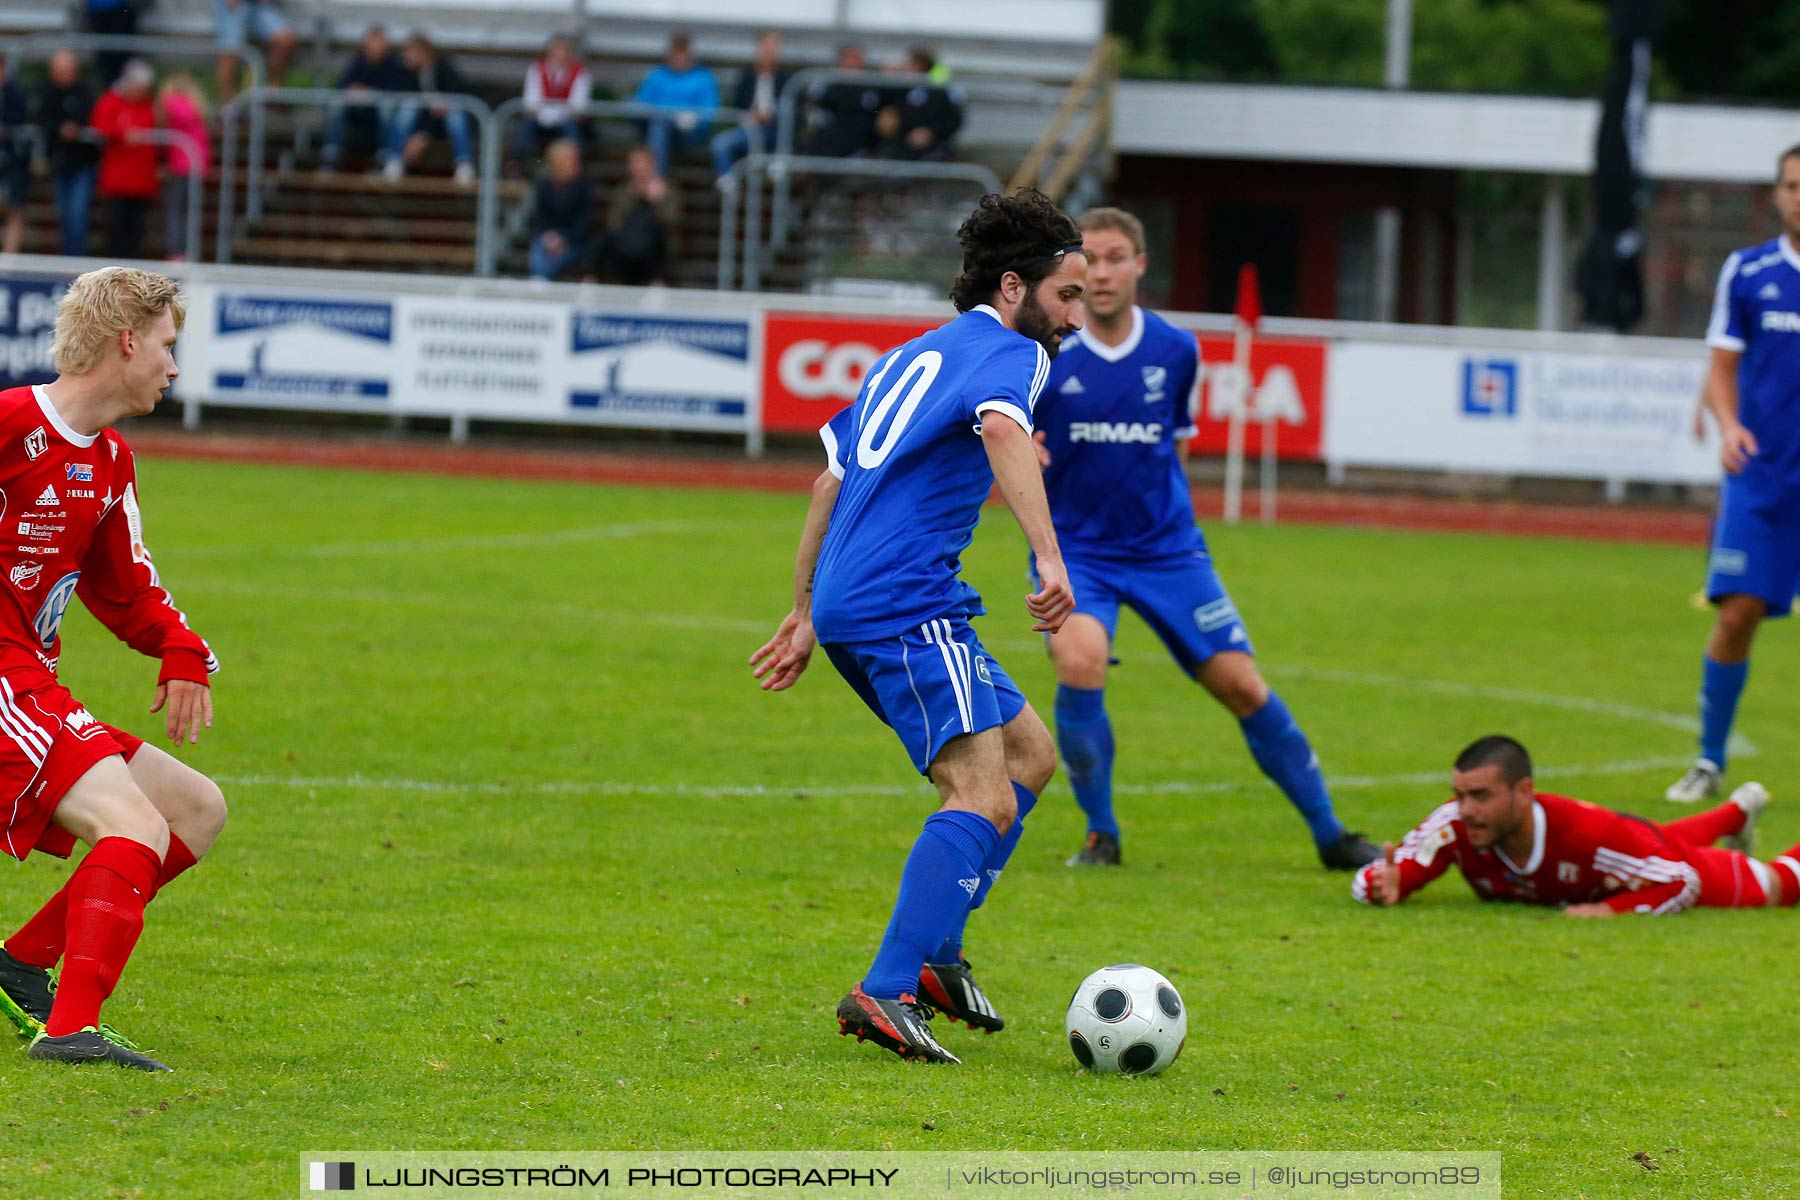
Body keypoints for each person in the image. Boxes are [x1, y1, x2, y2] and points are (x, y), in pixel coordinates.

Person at [751, 190, 1086, 1064]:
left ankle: (936, 958)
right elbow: (1006, 431)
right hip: (905, 600)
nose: (1075, 315)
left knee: (1031, 758)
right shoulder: (1013, 353)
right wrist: (1050, 558)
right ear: (1015, 288)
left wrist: (804, 610)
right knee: (982, 793)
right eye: (1067, 294)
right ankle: (889, 986)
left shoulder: (909, 358)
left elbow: (828, 485)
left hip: (863, 599)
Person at [1033, 207, 1379, 871]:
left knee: (1244, 687)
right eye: (1089, 261)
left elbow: (1175, 448)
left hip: (1168, 551)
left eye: (1114, 258)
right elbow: (1015, 442)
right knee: (1078, 661)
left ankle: (1332, 834)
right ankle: (1102, 835)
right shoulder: (1048, 352)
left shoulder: (1176, 350)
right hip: (1080, 552)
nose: (1100, 273)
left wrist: (1165, 521)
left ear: (1139, 265)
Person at [0, 266, 224, 1071]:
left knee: (195, 809)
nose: (172, 366)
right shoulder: (9, 424)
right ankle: (69, 1032)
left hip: (27, 678)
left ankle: (21, 961)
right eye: (167, 346)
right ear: (126, 341)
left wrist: (181, 650)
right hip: (1, 679)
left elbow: (127, 586)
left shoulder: (110, 462)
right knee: (133, 826)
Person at [1666, 144, 1800, 805]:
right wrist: (1730, 425)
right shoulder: (1748, 272)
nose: (1799, 196)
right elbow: (1721, 366)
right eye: (1791, 185)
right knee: (1737, 611)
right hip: (1761, 474)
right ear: (1777, 194)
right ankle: (1709, 759)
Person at [1354, 735, 1795, 916]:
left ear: (1524, 792)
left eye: (1481, 796)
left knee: (1779, 886)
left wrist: (1609, 910)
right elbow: (1389, 872)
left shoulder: (1590, 838)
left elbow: (1683, 881)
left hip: (1660, 858)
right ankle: (1737, 811)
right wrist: (1383, 881)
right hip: (1639, 844)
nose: (1465, 809)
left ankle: (1739, 818)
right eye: (1460, 793)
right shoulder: (1458, 823)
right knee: (1658, 837)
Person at [320, 25, 414, 180]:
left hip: (380, 113)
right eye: (372, 42)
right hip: (357, 112)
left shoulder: (393, 65)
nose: (375, 46)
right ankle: (331, 155)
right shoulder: (357, 62)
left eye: (379, 42)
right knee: (337, 103)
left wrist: (369, 92)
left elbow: (394, 91)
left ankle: (384, 157)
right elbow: (344, 87)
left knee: (387, 107)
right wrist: (354, 91)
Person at [89, 58, 159, 260]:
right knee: (116, 228)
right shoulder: (111, 102)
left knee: (137, 230)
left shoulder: (149, 106)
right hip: (117, 181)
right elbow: (100, 127)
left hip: (142, 181)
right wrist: (122, 134)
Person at [37, 50, 100, 259]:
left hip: (82, 163)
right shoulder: (47, 92)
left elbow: (93, 119)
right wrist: (59, 129)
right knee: (65, 215)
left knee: (77, 214)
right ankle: (67, 258)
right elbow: (42, 119)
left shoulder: (84, 92)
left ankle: (76, 259)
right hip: (60, 163)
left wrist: (77, 129)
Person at [593, 145, 680, 287]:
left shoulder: (667, 190)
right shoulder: (622, 191)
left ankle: (655, 281)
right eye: (633, 163)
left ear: (652, 165)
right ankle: (592, 280)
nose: (637, 167)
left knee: (652, 234)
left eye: (641, 162)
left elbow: (673, 222)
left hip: (656, 247)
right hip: (626, 247)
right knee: (603, 241)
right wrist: (633, 197)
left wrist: (656, 203)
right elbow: (613, 224)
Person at [634, 33, 719, 178]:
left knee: (659, 128)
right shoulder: (657, 75)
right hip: (659, 128)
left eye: (682, 53)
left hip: (689, 134)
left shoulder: (703, 78)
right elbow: (641, 104)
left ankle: (657, 178)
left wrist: (695, 120)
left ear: (689, 55)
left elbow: (710, 112)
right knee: (659, 126)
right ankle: (657, 178)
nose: (678, 58)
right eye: (676, 53)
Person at [711, 29, 792, 181]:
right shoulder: (747, 76)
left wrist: (771, 115)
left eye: (774, 47)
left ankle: (781, 158)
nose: (770, 51)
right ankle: (728, 184)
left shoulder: (787, 79)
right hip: (749, 128)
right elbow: (736, 106)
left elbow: (794, 113)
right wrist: (751, 115)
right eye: (767, 46)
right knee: (721, 144)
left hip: (777, 132)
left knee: (786, 112)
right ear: (759, 48)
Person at [398, 33, 476, 186]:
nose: (405, 56)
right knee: (408, 108)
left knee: (454, 112)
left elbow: (448, 104)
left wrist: (424, 134)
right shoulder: (411, 75)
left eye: (409, 52)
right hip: (429, 125)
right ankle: (393, 159)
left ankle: (464, 163)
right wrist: (422, 133)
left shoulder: (445, 69)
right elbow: (425, 110)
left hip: (449, 124)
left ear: (422, 52)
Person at [872, 47, 963, 162]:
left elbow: (952, 120)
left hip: (931, 149)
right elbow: (878, 107)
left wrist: (931, 133)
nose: (905, 68)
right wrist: (886, 76)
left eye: (910, 64)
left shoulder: (937, 92)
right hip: (899, 147)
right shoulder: (897, 90)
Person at [156, 74, 210, 262]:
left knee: (176, 211)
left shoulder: (174, 104)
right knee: (188, 212)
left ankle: (177, 252)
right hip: (195, 166)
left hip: (183, 166)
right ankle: (186, 251)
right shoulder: (196, 110)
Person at [515, 34, 591, 166]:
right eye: (557, 49)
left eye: (565, 50)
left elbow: (578, 105)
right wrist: (548, 114)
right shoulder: (537, 68)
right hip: (540, 119)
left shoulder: (580, 72)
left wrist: (554, 112)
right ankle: (521, 165)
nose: (560, 54)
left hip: (566, 120)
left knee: (573, 129)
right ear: (550, 51)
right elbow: (531, 101)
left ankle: (573, 166)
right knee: (526, 127)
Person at [527, 139, 593, 281]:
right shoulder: (544, 186)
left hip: (574, 241)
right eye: (568, 160)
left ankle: (540, 282)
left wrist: (564, 239)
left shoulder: (584, 187)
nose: (573, 164)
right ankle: (539, 282)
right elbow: (538, 218)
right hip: (548, 237)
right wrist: (548, 237)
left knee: (550, 258)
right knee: (540, 252)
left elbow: (585, 223)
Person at [803, 45, 879, 159]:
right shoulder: (828, 83)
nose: (853, 63)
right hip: (829, 141)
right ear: (841, 61)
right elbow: (817, 101)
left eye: (857, 58)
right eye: (850, 58)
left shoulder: (872, 85)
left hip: (860, 141)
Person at [214, 0, 298, 103]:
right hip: (232, 5)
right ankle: (229, 108)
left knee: (285, 41)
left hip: (258, 6)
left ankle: (270, 96)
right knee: (229, 50)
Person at [0, 56, 29, 256]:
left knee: (13, 209)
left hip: (11, 160)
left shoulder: (15, 94)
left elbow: (22, 121)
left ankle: (9, 259)